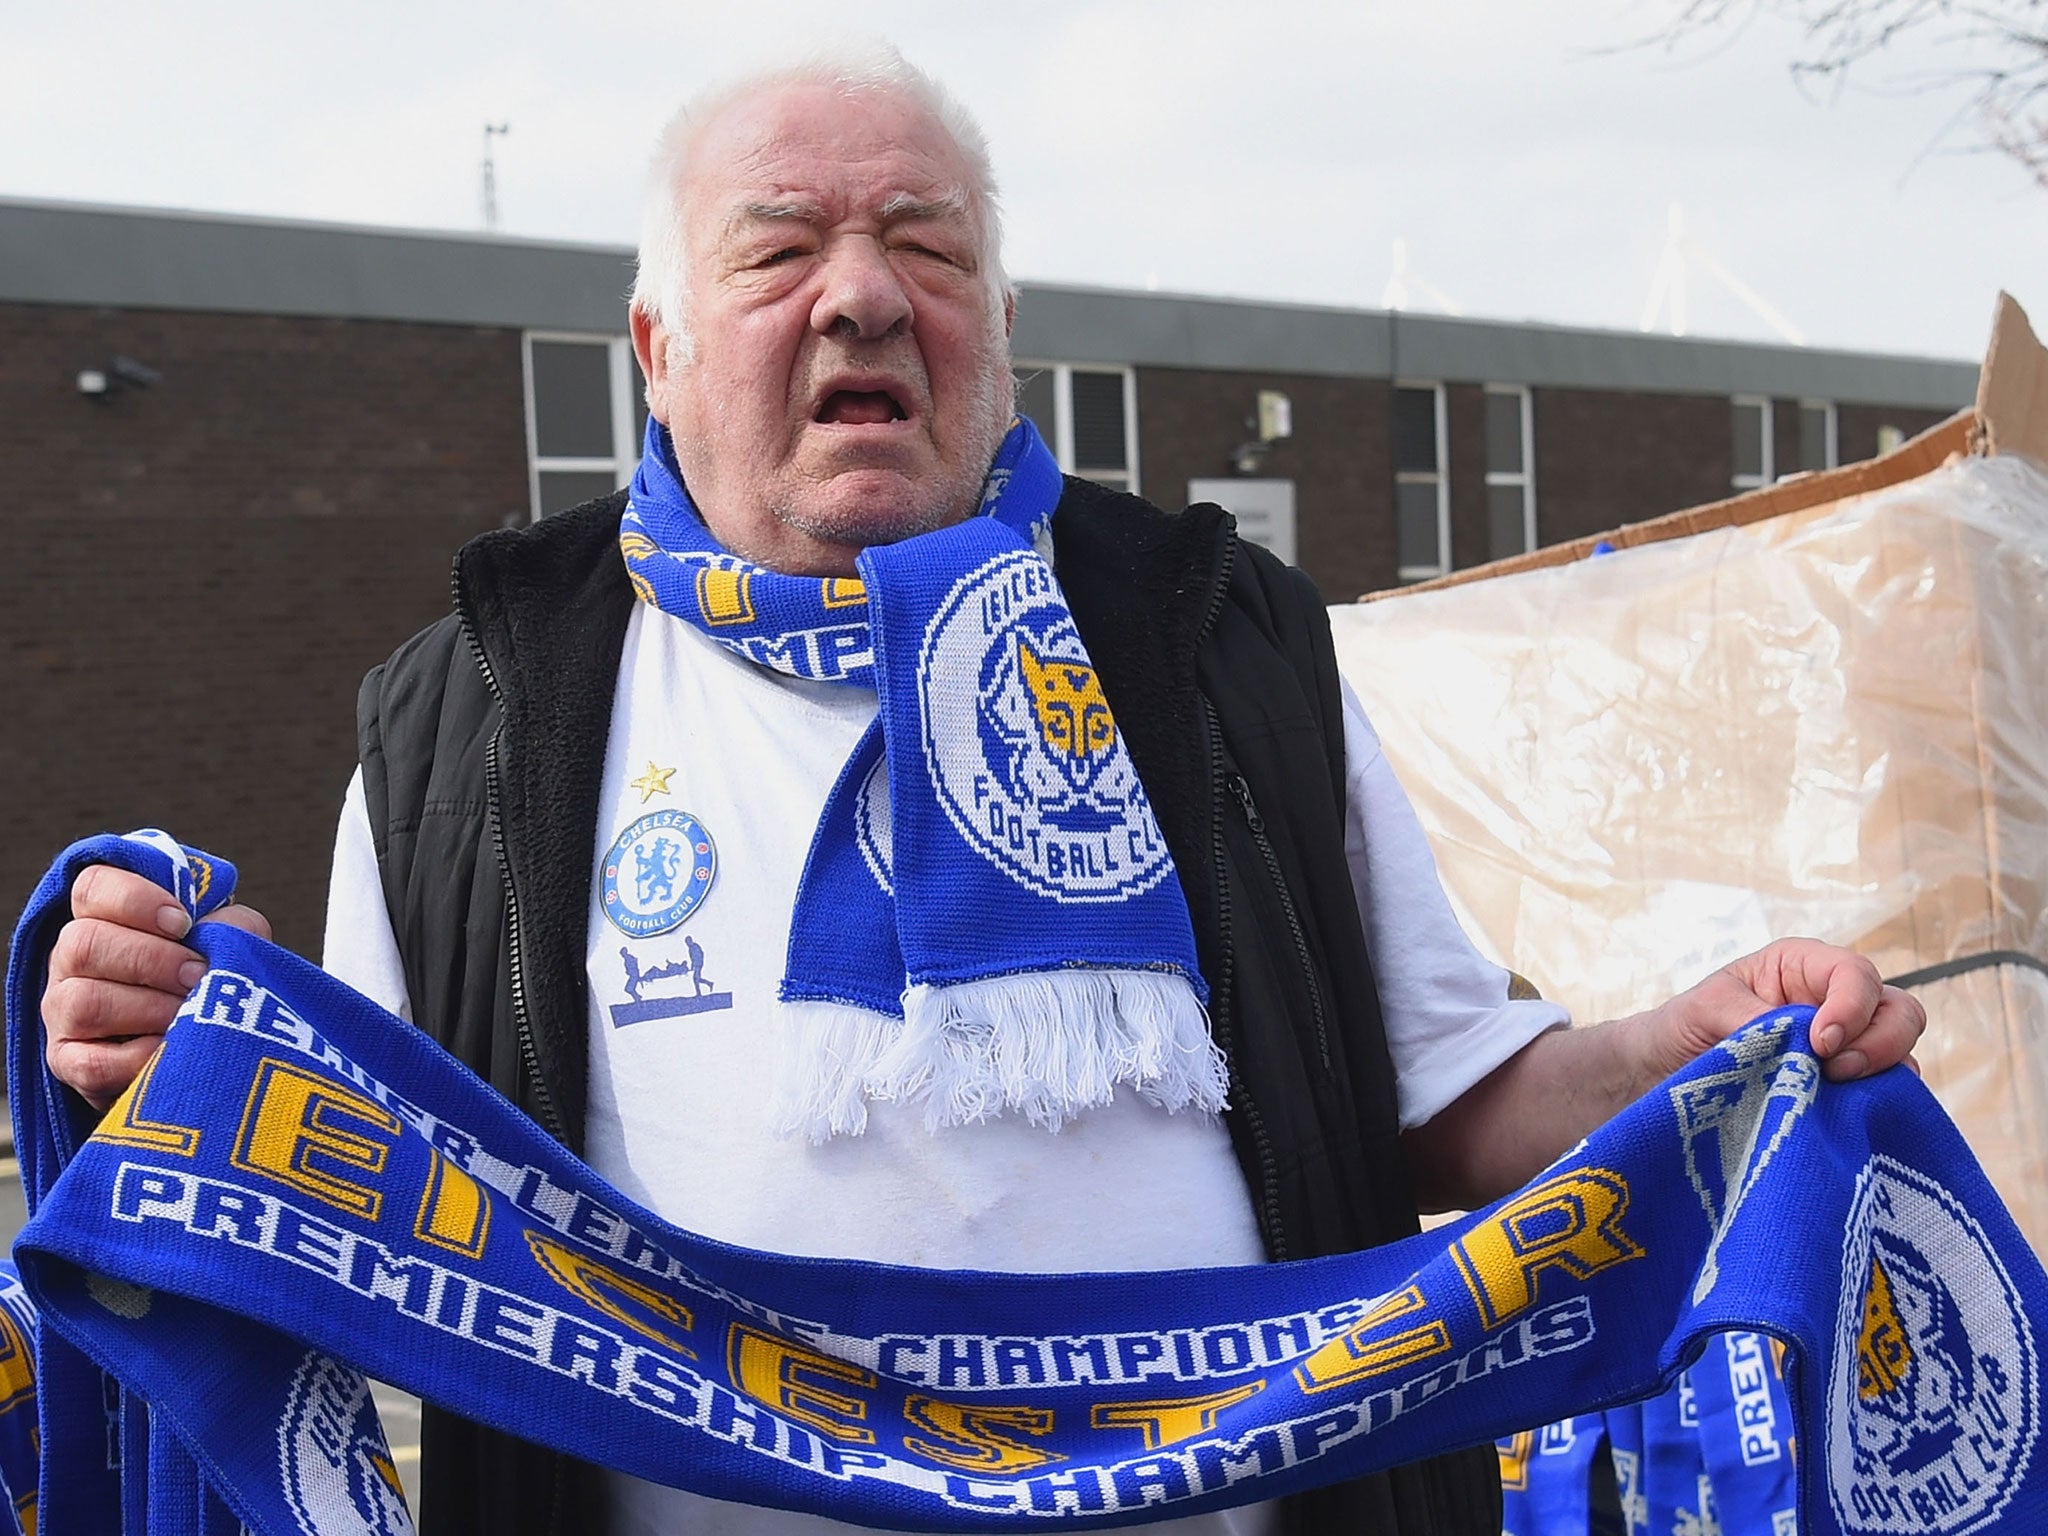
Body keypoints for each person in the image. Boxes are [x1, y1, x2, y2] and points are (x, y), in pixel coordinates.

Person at [38, 45, 1924, 1536]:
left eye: (927, 248)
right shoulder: (463, 708)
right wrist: (181, 1055)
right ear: (658, 350)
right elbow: (355, 1206)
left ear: (997, 326)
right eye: (778, 251)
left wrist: (1703, 1043)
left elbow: (1442, 1095)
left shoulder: (1213, 641)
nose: (861, 300)